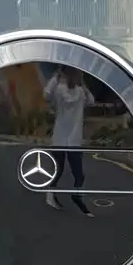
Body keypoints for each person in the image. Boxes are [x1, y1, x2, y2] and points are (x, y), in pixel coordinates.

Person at [42, 66, 95, 216]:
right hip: (73, 140)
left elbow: (46, 95)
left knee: (58, 170)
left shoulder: (59, 90)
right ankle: (75, 195)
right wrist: (84, 84)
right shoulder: (80, 92)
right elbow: (92, 101)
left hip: (60, 138)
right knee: (78, 174)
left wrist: (55, 77)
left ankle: (51, 195)